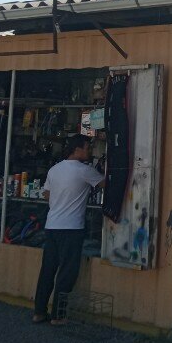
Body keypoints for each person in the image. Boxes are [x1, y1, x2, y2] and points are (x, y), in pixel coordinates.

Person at [33, 134, 104, 325]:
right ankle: (58, 315)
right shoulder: (84, 171)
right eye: (87, 147)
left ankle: (39, 311)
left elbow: (47, 194)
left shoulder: (54, 169)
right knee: (67, 272)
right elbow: (106, 184)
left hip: (52, 225)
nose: (89, 151)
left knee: (48, 270)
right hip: (72, 227)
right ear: (77, 149)